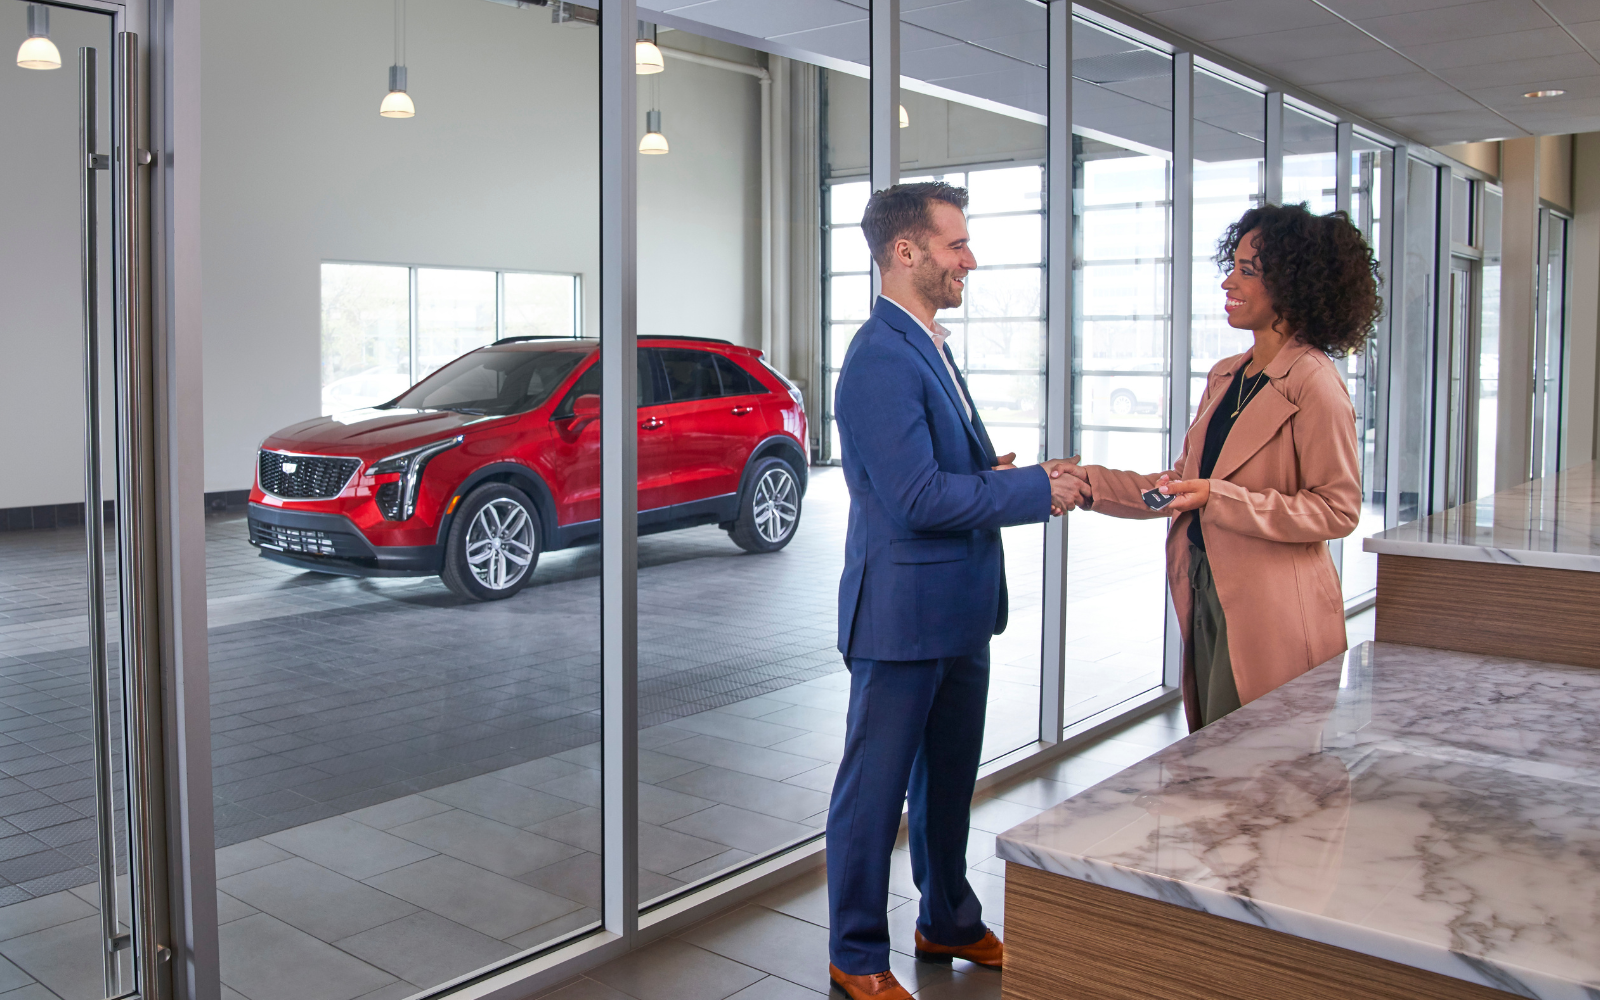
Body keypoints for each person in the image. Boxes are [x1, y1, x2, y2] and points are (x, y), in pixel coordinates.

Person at [825, 181, 1089, 1000]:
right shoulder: (879, 357)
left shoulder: (928, 343)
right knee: (873, 793)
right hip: (902, 617)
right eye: (956, 245)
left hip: (958, 611)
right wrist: (1036, 490)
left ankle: (946, 917)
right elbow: (916, 500)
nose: (968, 259)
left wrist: (991, 476)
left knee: (947, 783)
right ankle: (857, 953)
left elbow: (941, 476)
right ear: (907, 253)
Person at [1079, 203, 1377, 732]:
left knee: (1261, 780)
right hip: (1207, 588)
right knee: (1219, 765)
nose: (1227, 282)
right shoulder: (1226, 376)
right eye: (1232, 265)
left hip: (1275, 610)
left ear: (1293, 283)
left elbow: (1337, 510)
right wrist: (1085, 485)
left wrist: (1221, 499)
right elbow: (1179, 486)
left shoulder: (1315, 383)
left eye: (1246, 271)